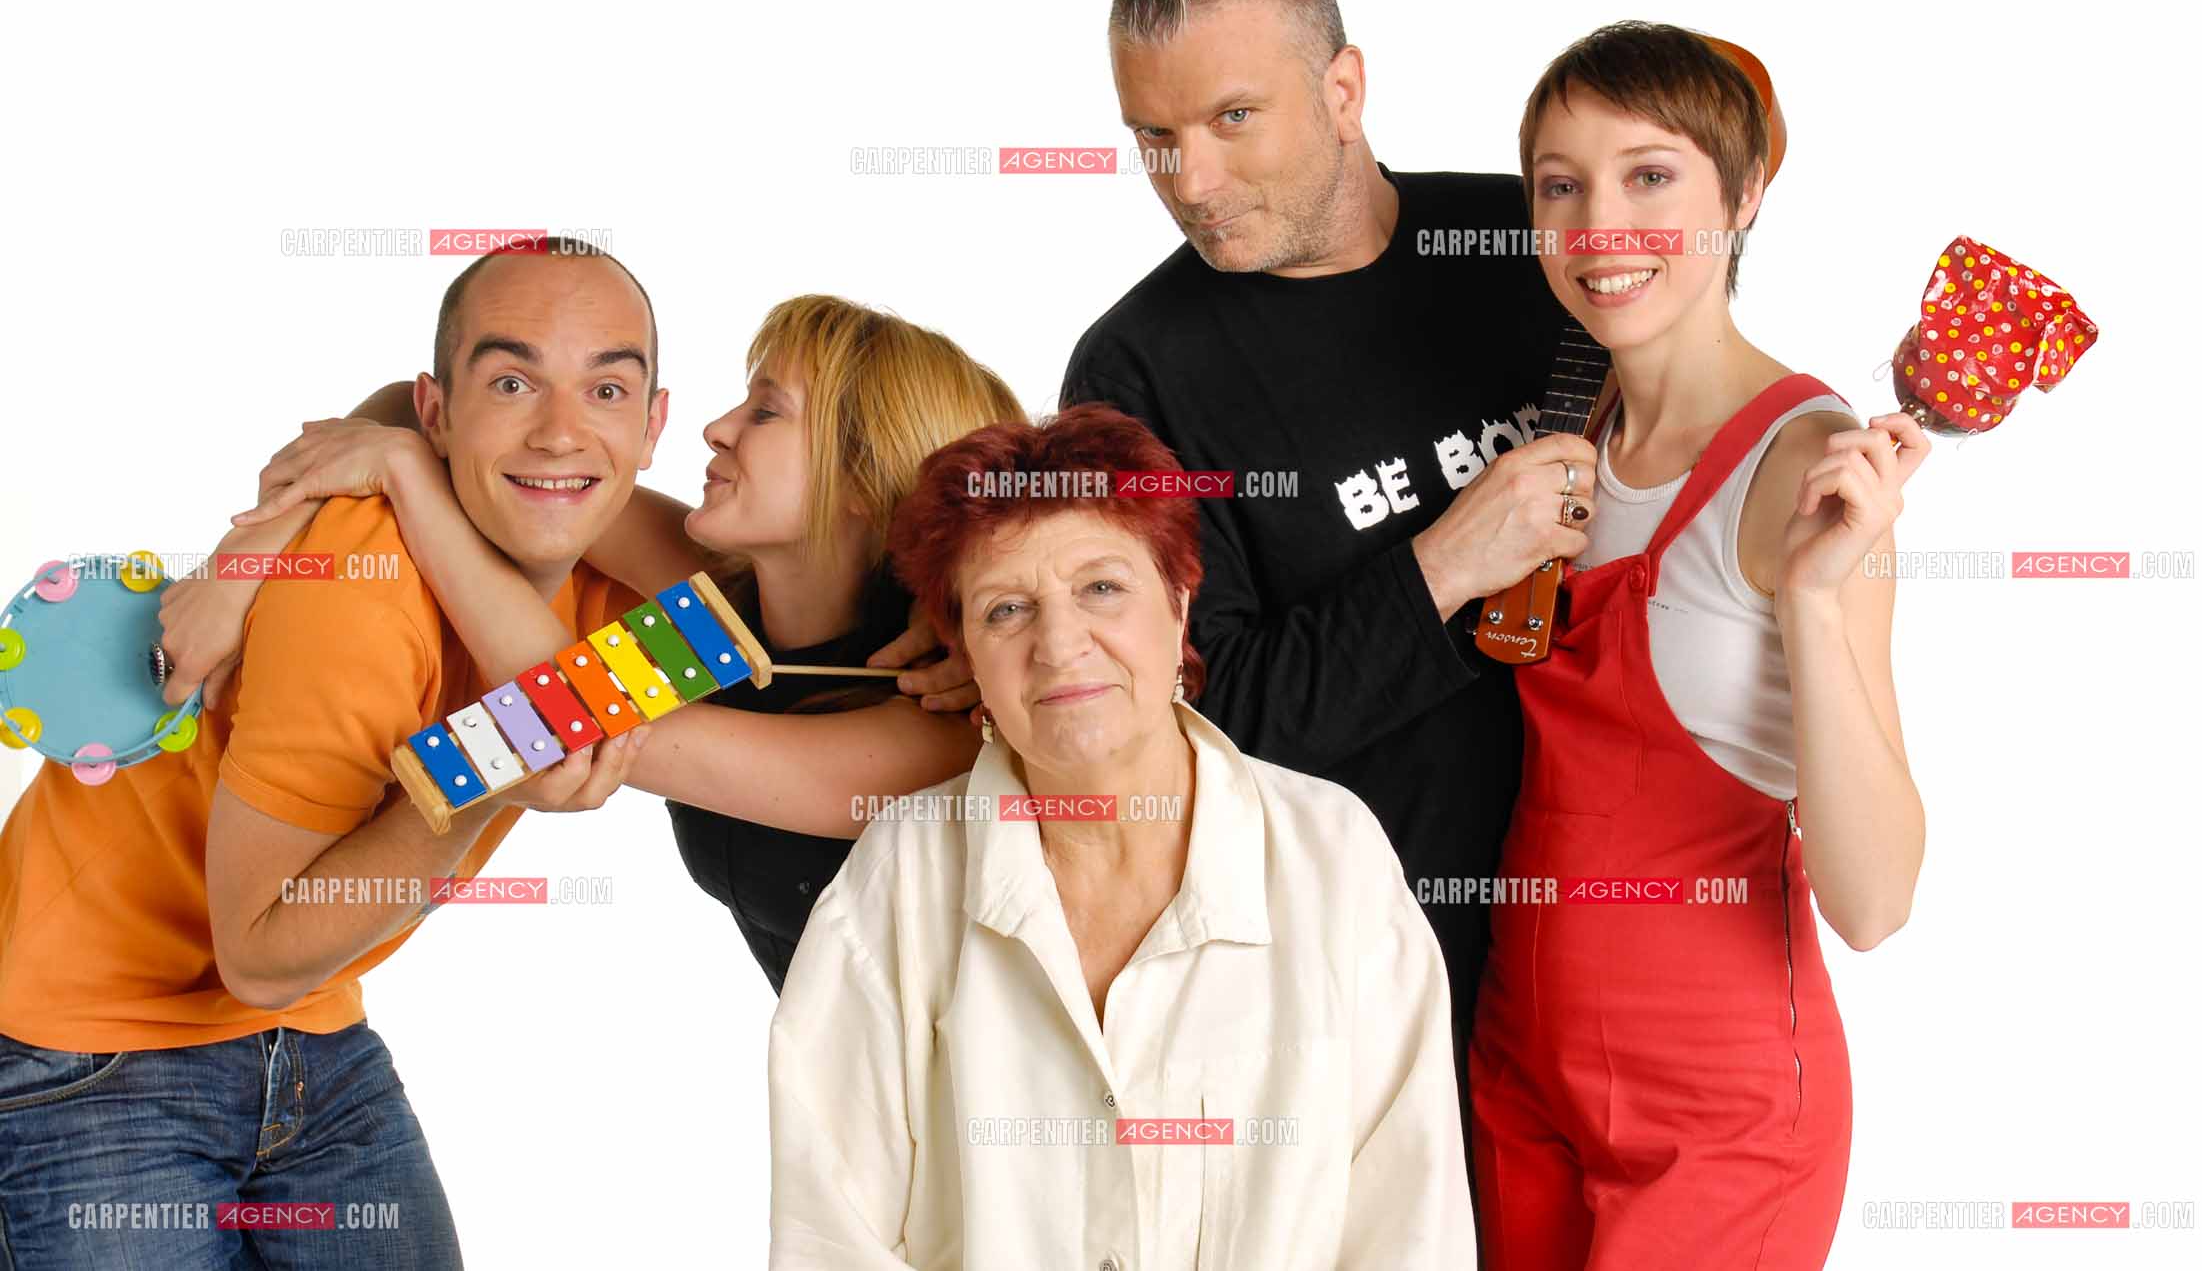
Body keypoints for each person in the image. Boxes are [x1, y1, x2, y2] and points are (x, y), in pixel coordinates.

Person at [0, 246, 661, 1269]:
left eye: (607, 387)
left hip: (312, 1034)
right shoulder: (362, 580)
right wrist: (484, 772)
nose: (563, 431)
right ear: (441, 413)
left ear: (653, 421)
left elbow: (804, 648)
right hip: (90, 1044)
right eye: (513, 382)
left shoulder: (615, 552)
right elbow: (258, 951)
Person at [1059, 0, 1595, 1164]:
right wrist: (1451, 563)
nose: (1188, 177)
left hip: (1616, 940)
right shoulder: (1135, 372)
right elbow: (1209, 729)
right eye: (1155, 137)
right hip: (1359, 1007)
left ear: (1344, 89)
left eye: (1231, 118)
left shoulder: (1529, 242)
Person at [768, 404, 1476, 1269]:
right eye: (1006, 610)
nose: (1060, 645)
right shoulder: (901, 877)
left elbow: (1409, 1217)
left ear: (1180, 607)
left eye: (1102, 588)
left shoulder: (1328, 853)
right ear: (968, 659)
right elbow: (829, 1228)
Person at [199, 292, 1025, 993]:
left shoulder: (928, 728)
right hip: (848, 1118)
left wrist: (408, 480)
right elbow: (434, 421)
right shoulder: (730, 594)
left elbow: (553, 715)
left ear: (859, 479)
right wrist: (241, 565)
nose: (715, 428)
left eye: (766, 411)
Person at [1468, 22, 1929, 1270]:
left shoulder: (1801, 467)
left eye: (1650, 175)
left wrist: (1818, 602)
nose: (1599, 224)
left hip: (1717, 1116)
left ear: (1748, 192)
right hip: (1519, 1071)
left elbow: (1875, 900)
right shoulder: (1561, 432)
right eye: (1561, 185)